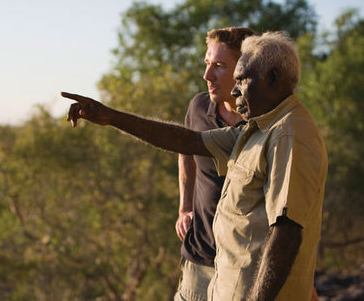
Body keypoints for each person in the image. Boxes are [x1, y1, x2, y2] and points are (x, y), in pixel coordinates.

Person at [61, 31, 327, 300]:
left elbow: (287, 233)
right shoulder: (259, 127)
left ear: (272, 78)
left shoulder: (289, 134)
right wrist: (110, 116)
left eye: (243, 80)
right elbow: (189, 141)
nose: (234, 91)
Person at [174, 27, 254, 301]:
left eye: (219, 66)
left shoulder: (266, 124)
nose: (207, 75)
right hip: (199, 258)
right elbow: (185, 152)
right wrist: (184, 207)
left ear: (244, 69)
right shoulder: (197, 107)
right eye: (207, 63)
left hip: (243, 269)